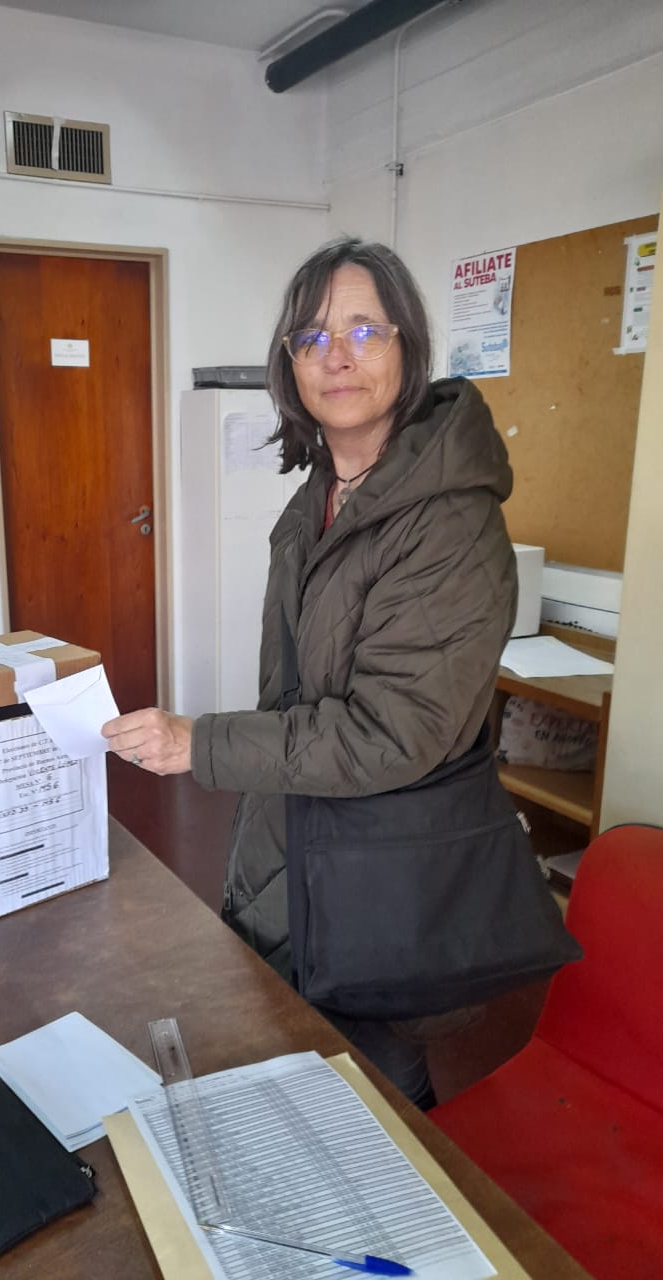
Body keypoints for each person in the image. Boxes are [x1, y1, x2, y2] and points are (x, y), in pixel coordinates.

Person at [102, 236, 519, 1107]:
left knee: (373, 1102)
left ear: (409, 347)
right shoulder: (318, 499)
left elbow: (391, 735)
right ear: (288, 364)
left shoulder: (450, 526)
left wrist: (200, 744)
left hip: (386, 879)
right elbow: (290, 697)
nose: (337, 356)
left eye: (365, 330)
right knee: (287, 1068)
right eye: (312, 336)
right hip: (297, 848)